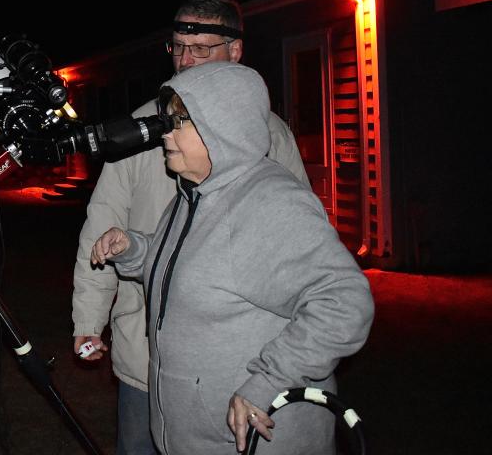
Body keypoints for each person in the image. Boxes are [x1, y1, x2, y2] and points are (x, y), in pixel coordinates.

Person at [91, 62, 373, 454]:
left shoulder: (269, 202)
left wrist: (267, 381)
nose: (166, 134)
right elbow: (191, 268)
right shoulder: (191, 196)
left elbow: (345, 302)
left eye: (181, 122)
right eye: (167, 121)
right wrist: (135, 249)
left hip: (254, 442)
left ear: (223, 125)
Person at [71, 0, 308, 454]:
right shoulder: (141, 130)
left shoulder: (270, 135)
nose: (186, 60)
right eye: (179, 47)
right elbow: (102, 226)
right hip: (146, 361)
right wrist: (89, 319)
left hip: (234, 361)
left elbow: (298, 252)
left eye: (201, 48)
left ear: (235, 52)